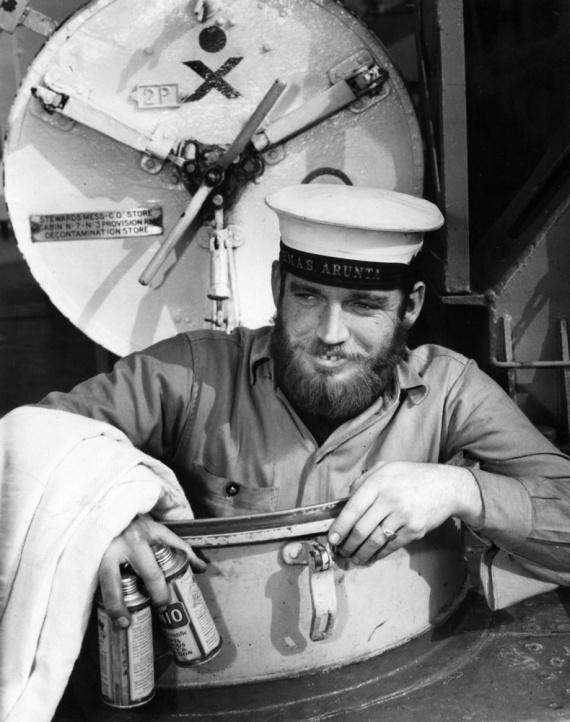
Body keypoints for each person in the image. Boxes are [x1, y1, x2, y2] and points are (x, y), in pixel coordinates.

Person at [30, 184, 570, 628]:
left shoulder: (450, 391)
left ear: (411, 307)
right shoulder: (188, 375)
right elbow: (30, 445)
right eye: (309, 297)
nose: (331, 335)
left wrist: (463, 490)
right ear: (276, 286)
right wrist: (99, 513)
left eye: (363, 305)